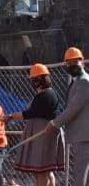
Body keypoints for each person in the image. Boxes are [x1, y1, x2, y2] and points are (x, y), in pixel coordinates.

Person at [6, 63, 65, 186]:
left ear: (44, 79)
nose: (34, 82)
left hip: (44, 134)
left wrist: (11, 116)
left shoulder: (47, 95)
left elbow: (30, 113)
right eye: (33, 80)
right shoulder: (43, 94)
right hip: (42, 134)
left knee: (41, 171)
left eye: (36, 79)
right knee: (46, 171)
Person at [45, 47, 89, 186]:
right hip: (82, 135)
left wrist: (54, 123)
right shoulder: (77, 81)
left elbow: (74, 108)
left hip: (84, 136)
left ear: (82, 62)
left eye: (75, 62)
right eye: (69, 63)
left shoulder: (83, 82)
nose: (72, 65)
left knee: (80, 173)